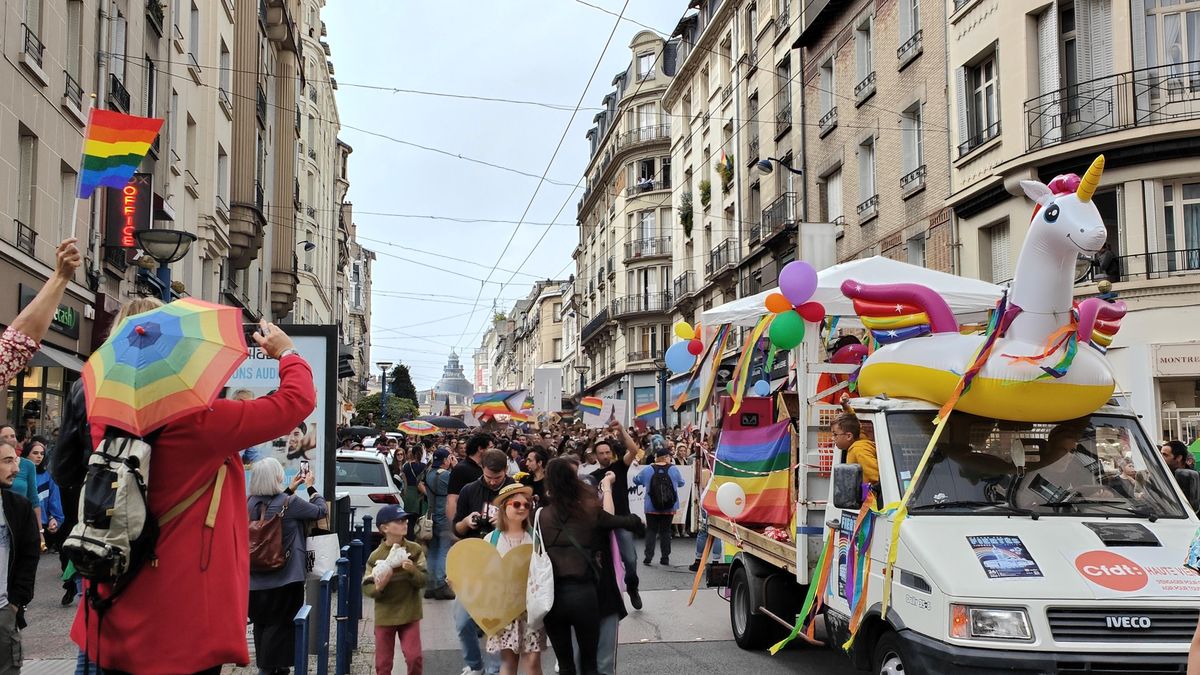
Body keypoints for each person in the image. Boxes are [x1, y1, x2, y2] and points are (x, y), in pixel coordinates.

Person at [64, 320, 317, 674]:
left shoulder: (106, 421)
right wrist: (287, 353)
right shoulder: (201, 423)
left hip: (113, 608)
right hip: (179, 624)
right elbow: (295, 401)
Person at [539, 458, 643, 675]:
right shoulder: (589, 513)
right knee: (590, 664)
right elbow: (625, 522)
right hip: (584, 594)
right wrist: (634, 519)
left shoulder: (540, 515)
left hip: (551, 597)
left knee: (566, 665)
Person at [247, 458, 328, 675]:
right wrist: (310, 487)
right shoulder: (290, 504)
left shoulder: (249, 503)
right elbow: (320, 511)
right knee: (281, 626)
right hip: (286, 578)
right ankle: (270, 669)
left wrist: (290, 489)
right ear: (276, 477)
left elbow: (271, 509)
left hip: (254, 581)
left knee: (262, 625)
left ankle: (269, 667)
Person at [451, 447, 512, 675]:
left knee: (497, 623)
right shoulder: (469, 490)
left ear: (506, 470)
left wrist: (506, 523)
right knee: (462, 620)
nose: (493, 482)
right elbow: (456, 529)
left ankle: (495, 669)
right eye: (489, 477)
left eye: (498, 478)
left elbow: (529, 529)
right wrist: (467, 522)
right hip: (472, 564)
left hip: (502, 565)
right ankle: (475, 664)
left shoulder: (515, 490)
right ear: (482, 470)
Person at [484, 483, 544, 675]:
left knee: (533, 661)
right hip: (504, 611)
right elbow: (482, 576)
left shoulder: (535, 537)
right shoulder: (491, 540)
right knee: (509, 662)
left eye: (526, 505)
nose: (522, 508)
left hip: (531, 610)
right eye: (516, 504)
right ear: (504, 507)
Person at [363, 504, 426, 675]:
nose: (405, 523)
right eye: (399, 521)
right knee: (383, 664)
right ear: (384, 528)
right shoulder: (376, 557)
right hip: (385, 615)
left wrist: (413, 570)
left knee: (414, 658)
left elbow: (424, 580)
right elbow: (367, 588)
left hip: (410, 613)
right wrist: (379, 587)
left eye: (405, 520)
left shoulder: (414, 550)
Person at [590, 421, 643, 610]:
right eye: (601, 453)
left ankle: (632, 586)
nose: (605, 456)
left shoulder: (620, 467)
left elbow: (634, 450)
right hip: (603, 524)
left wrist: (621, 431)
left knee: (630, 559)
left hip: (621, 521)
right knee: (606, 564)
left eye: (607, 452)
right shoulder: (592, 476)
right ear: (595, 456)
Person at [0, 440, 38, 672]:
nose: (15, 468)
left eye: (15, 460)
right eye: (7, 461)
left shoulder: (17, 507)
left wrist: (15, 603)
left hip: (4, 611)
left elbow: (29, 555)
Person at [633, 446, 686, 566]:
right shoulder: (673, 469)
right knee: (665, 531)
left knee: (651, 530)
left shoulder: (648, 469)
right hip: (669, 506)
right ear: (666, 457)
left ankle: (648, 557)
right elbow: (682, 483)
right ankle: (665, 557)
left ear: (657, 458)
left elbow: (636, 480)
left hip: (651, 506)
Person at [422, 448, 456, 600]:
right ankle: (440, 583)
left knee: (433, 549)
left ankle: (430, 584)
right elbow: (458, 486)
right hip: (444, 516)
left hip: (431, 516)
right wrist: (455, 466)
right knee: (444, 550)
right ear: (445, 461)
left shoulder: (428, 473)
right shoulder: (447, 476)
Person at [5, 431, 41, 550]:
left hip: (20, 521)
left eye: (13, 435)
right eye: (5, 436)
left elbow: (34, 499)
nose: (10, 439)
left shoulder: (28, 465)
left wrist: (40, 530)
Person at [833, 394, 879, 485]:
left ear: (849, 436)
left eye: (835, 434)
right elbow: (854, 424)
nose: (832, 438)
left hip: (867, 498)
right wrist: (845, 407)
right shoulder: (859, 437)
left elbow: (876, 477)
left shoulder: (859, 450)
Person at [29, 440, 63, 551]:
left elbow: (54, 501)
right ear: (26, 454)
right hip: (19, 523)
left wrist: (54, 520)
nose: (39, 456)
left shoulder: (47, 477)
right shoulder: (17, 474)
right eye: (35, 453)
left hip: (41, 525)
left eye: (42, 454)